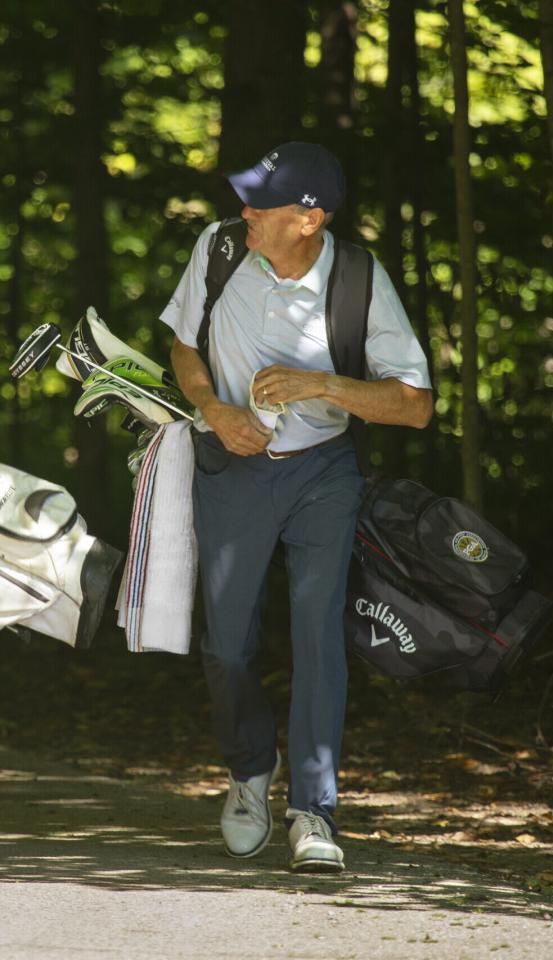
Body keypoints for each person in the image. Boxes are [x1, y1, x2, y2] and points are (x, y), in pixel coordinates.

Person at [161, 142, 432, 873]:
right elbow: (184, 348)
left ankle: (314, 811)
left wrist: (324, 385)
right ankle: (251, 772)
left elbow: (415, 405)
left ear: (308, 219)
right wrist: (215, 409)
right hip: (232, 471)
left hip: (322, 475)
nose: (243, 213)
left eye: (262, 205)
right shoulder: (220, 249)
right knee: (225, 647)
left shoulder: (358, 280)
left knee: (319, 639)